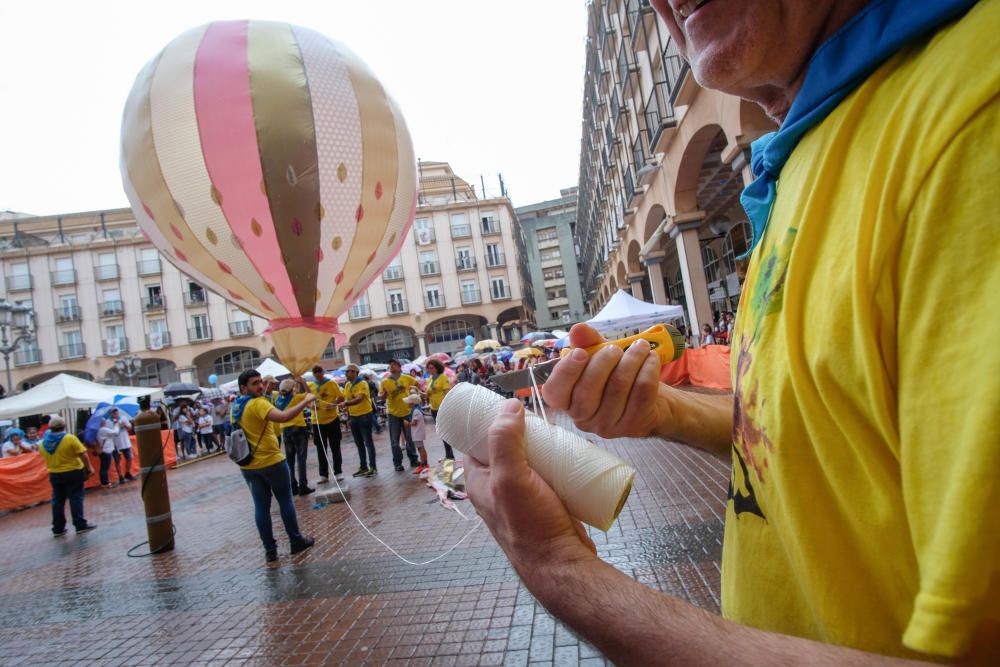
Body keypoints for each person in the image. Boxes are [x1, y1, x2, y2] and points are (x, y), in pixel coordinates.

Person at [465, 0, 999, 664]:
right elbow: (822, 436)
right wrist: (666, 411)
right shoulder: (821, 139)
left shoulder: (971, 125)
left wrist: (561, 571)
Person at [232, 370, 316, 563]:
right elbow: (284, 417)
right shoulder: (258, 403)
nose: (260, 386)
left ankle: (270, 550)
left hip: (248, 465)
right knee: (285, 501)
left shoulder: (236, 406)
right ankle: (296, 541)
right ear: (244, 388)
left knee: (261, 507)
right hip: (271, 461)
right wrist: (305, 401)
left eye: (261, 382)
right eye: (255, 383)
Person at [38, 416, 96, 536]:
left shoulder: (44, 443)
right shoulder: (69, 438)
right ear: (64, 426)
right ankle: (80, 525)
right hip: (73, 471)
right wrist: (89, 467)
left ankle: (58, 528)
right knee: (75, 498)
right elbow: (83, 454)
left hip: (54, 473)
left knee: (57, 501)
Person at [273, 378, 313, 495]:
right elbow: (310, 395)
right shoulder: (297, 398)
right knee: (301, 458)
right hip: (298, 428)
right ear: (291, 389)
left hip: (285, 430)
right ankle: (303, 485)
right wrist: (303, 382)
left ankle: (292, 486)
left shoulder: (278, 400)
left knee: (290, 460)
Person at [379, 359, 419, 471]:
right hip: (393, 414)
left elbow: (417, 385)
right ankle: (397, 463)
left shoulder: (406, 378)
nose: (392, 367)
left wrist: (413, 396)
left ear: (399, 367)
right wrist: (385, 393)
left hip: (407, 411)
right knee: (394, 441)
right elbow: (381, 397)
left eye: (394, 365)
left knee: (409, 438)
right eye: (390, 365)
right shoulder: (385, 381)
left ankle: (414, 459)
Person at [308, 365, 345, 483]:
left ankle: (338, 472)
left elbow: (341, 397)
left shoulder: (332, 383)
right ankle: (323, 475)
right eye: (315, 372)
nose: (318, 374)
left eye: (319, 371)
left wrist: (333, 404)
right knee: (321, 449)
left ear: (323, 372)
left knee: (335, 447)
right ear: (313, 374)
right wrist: (311, 406)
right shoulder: (311, 385)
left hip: (332, 419)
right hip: (317, 421)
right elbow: (307, 401)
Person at [343, 364, 377, 477]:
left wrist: (347, 403)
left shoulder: (362, 383)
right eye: (346, 372)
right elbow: (346, 399)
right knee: (359, 443)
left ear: (355, 372)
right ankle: (363, 466)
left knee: (368, 442)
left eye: (348, 371)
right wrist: (347, 415)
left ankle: (372, 467)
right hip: (353, 416)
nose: (346, 374)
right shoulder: (347, 385)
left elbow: (360, 398)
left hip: (364, 415)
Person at [424, 359, 455, 461]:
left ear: (437, 367)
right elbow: (427, 394)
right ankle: (448, 455)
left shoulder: (443, 377)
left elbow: (447, 391)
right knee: (442, 432)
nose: (429, 370)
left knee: (445, 431)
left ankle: (450, 456)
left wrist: (448, 405)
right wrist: (418, 392)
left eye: (432, 367)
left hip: (442, 407)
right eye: (428, 368)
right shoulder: (430, 379)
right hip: (433, 408)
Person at [403, 392, 428, 474]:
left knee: (420, 448)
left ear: (412, 403)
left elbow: (414, 423)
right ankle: (425, 464)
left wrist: (407, 424)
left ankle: (423, 464)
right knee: (421, 448)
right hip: (418, 432)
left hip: (417, 433)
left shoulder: (416, 411)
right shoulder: (416, 409)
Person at [112, 409, 135, 482]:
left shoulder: (123, 418)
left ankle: (127, 473)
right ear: (111, 414)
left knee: (129, 458)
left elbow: (130, 427)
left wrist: (124, 425)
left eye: (116, 413)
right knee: (117, 460)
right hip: (116, 443)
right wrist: (116, 426)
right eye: (114, 413)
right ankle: (120, 476)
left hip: (125, 442)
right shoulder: (109, 422)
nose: (116, 414)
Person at [96, 416, 119, 488]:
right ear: (103, 422)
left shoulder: (99, 430)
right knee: (105, 467)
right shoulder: (104, 430)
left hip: (103, 450)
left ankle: (104, 481)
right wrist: (116, 425)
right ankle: (105, 483)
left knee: (104, 467)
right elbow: (116, 433)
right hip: (106, 450)